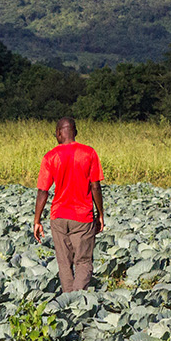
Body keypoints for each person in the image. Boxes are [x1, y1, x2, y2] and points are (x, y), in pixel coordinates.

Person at [32, 117, 104, 293]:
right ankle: (77, 300)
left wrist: (37, 220)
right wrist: (100, 214)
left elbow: (43, 191)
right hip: (82, 216)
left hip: (58, 216)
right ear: (75, 132)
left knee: (64, 263)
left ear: (58, 133)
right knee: (83, 262)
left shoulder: (50, 156)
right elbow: (95, 186)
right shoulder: (89, 153)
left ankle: (68, 301)